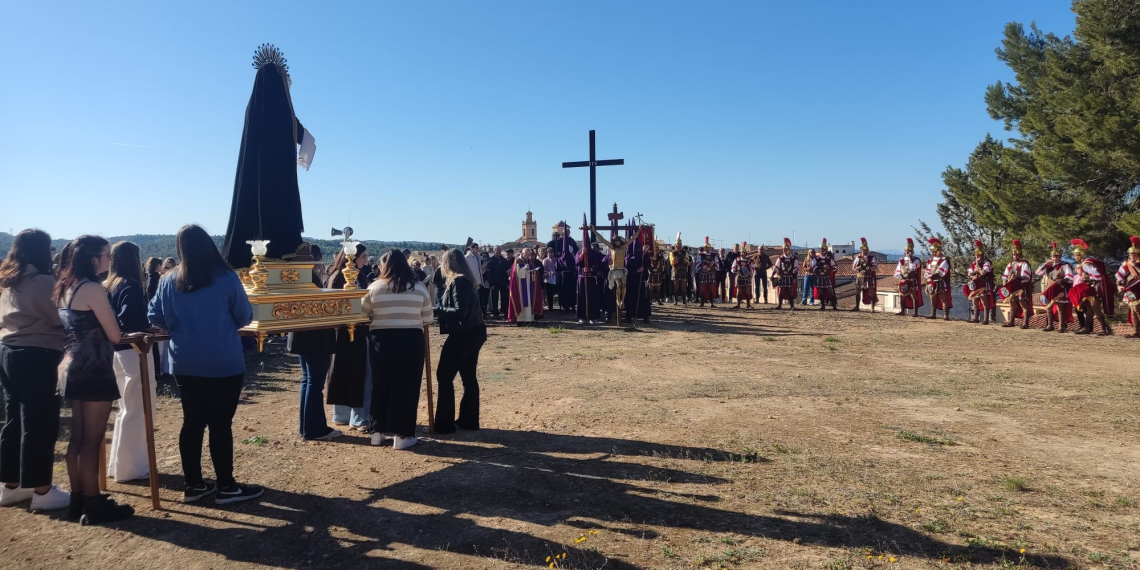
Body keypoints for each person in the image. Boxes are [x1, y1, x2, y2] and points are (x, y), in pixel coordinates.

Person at [149, 224, 262, 505]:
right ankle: (225, 485)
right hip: (223, 360)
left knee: (192, 423)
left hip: (185, 362)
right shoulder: (226, 277)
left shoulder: (168, 280)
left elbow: (154, 315)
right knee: (221, 425)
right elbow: (244, 315)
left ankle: (194, 484)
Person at [55, 236, 140, 523]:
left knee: (77, 438)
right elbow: (115, 335)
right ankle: (93, 504)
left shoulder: (66, 286)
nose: (108, 260)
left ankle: (78, 499)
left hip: (71, 364)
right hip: (94, 367)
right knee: (92, 440)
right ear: (93, 259)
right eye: (105, 255)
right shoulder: (93, 289)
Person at [221, 44, 314, 268]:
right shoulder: (281, 107)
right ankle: (282, 248)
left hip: (253, 174)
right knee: (280, 205)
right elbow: (299, 133)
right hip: (279, 174)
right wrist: (308, 142)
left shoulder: (252, 108)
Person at [0, 229, 71, 512]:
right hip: (39, 354)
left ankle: (11, 486)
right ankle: (42, 490)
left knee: (13, 420)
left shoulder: (8, 280)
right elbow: (60, 318)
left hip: (7, 351)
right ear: (43, 251)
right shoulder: (42, 282)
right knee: (40, 422)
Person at [363, 250, 434, 450]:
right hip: (410, 340)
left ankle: (377, 432)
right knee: (406, 387)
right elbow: (428, 318)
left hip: (381, 341)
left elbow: (362, 314)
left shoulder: (374, 287)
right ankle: (402, 434)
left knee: (380, 384)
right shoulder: (419, 288)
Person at [104, 241, 158, 483]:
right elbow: (128, 321)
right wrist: (147, 329)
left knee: (125, 409)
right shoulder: (131, 286)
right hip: (134, 351)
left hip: (116, 352)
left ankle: (119, 464)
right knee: (138, 409)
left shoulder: (109, 285)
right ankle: (131, 469)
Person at [285, 245, 341, 441]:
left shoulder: (292, 279)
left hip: (302, 336)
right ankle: (314, 429)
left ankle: (306, 426)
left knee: (308, 381)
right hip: (316, 337)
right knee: (314, 383)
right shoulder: (309, 279)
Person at [434, 249, 487, 433]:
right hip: (474, 331)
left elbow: (460, 311)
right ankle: (468, 420)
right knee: (468, 377)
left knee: (444, 375)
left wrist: (436, 310)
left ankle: (444, 424)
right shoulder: (467, 280)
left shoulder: (458, 281)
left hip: (464, 334)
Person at [326, 246, 372, 430]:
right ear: (350, 258)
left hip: (358, 329)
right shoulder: (338, 276)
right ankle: (352, 417)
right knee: (349, 372)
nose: (365, 260)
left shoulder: (359, 276)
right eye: (363, 256)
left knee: (353, 371)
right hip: (345, 330)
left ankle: (352, 416)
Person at [589, 224, 647, 316]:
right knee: (619, 285)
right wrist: (594, 231)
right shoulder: (612, 248)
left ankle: (622, 301)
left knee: (624, 286)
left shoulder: (624, 247)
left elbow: (632, 238)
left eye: (618, 241)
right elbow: (602, 239)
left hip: (622, 269)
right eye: (615, 242)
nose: (617, 243)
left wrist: (639, 230)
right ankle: (617, 300)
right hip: (615, 270)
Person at [1068, 238, 1114, 335]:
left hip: (1097, 287)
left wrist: (1088, 279)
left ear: (1079, 255)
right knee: (1089, 309)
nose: (1074, 257)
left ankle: (1104, 328)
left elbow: (1097, 276)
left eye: (1075, 255)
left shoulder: (1086, 264)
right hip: (1094, 286)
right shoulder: (1087, 263)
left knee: (1094, 307)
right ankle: (1086, 328)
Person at [1036, 241, 1075, 332]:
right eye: (1053, 257)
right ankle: (1050, 325)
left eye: (1057, 256)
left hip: (1060, 289)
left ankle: (1061, 327)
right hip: (1049, 289)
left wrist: (1062, 280)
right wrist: (1045, 264)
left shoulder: (1065, 265)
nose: (1055, 258)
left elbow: (1070, 277)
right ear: (1051, 257)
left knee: (1060, 308)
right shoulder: (1048, 266)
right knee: (1048, 307)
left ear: (1059, 257)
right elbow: (1037, 273)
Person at [1000, 239, 1034, 329]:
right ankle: (1011, 321)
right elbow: (1005, 276)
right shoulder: (1010, 264)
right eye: (1014, 255)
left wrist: (1017, 278)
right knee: (1012, 305)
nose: (1015, 256)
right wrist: (1005, 286)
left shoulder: (1024, 264)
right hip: (1011, 288)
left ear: (1020, 254)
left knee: (1023, 305)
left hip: (1020, 288)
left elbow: (1026, 277)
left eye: (1017, 254)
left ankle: (1025, 323)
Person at [507, 249, 544, 324]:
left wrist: (534, 272)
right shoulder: (517, 261)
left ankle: (529, 319)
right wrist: (524, 269)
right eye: (527, 254)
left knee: (529, 301)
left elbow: (534, 272)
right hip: (520, 285)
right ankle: (521, 319)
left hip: (529, 284)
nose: (528, 256)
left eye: (529, 254)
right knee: (522, 301)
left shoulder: (530, 261)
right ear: (523, 253)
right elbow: (516, 274)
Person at [963, 240, 995, 325]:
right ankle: (975, 318)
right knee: (975, 301)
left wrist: (977, 269)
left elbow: (983, 272)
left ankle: (986, 319)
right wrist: (975, 270)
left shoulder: (986, 262)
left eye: (979, 254)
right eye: (976, 254)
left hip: (983, 284)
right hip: (975, 284)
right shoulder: (974, 264)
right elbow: (969, 273)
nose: (977, 256)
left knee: (984, 302)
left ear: (982, 254)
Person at [1115, 236, 1140, 338]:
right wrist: (1119, 286)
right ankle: (1136, 332)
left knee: (1138, 309)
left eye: (1134, 255)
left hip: (1139, 289)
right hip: (1130, 289)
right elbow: (1119, 277)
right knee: (1133, 310)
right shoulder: (1126, 264)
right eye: (1131, 254)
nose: (1132, 256)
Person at [576, 237, 605, 324]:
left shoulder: (594, 253)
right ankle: (582, 317)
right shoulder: (578, 253)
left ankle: (593, 317)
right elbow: (577, 263)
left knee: (593, 298)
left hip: (591, 279)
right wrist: (582, 255)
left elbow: (598, 264)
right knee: (582, 298)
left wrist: (590, 269)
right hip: (582, 279)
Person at [924, 238, 952, 320]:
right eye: (932, 251)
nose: (933, 252)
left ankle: (946, 315)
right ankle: (933, 314)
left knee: (943, 299)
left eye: (934, 251)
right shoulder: (931, 260)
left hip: (940, 282)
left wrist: (932, 275)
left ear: (938, 250)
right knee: (933, 299)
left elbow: (941, 271)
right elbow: (928, 270)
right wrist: (928, 275)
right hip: (932, 282)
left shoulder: (944, 260)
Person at [894, 239, 924, 316]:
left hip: (911, 280)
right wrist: (900, 275)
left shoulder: (916, 260)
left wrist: (910, 260)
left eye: (909, 251)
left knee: (914, 296)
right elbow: (898, 269)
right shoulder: (902, 260)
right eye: (907, 251)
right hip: (903, 280)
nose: (908, 252)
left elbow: (913, 267)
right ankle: (902, 311)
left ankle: (915, 312)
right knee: (902, 296)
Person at [624, 243, 652, 323]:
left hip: (642, 282)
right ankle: (629, 316)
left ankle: (645, 317)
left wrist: (645, 253)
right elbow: (627, 270)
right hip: (632, 282)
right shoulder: (628, 258)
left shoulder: (644, 257)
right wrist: (637, 271)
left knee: (644, 300)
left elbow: (648, 264)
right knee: (630, 300)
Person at [851, 238, 878, 312]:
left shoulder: (871, 258)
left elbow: (875, 267)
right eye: (862, 249)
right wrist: (858, 266)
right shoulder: (858, 257)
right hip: (859, 276)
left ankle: (872, 308)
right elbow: (853, 267)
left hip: (868, 277)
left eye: (864, 249)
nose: (863, 251)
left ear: (867, 250)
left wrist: (869, 264)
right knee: (858, 292)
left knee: (871, 292)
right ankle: (857, 306)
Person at [772, 238, 799, 310]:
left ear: (788, 249)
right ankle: (779, 305)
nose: (784, 250)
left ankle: (792, 305)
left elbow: (796, 269)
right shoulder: (780, 258)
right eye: (783, 249)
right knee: (781, 291)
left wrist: (794, 278)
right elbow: (776, 267)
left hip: (790, 277)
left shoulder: (794, 258)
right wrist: (772, 274)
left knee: (790, 291)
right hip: (782, 277)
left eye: (785, 249)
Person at [811, 239, 838, 310]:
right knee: (820, 291)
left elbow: (835, 267)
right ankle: (823, 305)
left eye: (824, 249)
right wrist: (821, 268)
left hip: (827, 277)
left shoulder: (829, 258)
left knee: (830, 291)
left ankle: (834, 305)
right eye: (821, 249)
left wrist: (829, 267)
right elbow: (814, 268)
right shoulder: (816, 258)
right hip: (819, 277)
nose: (822, 250)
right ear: (819, 250)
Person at [484, 247, 510, 319]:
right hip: (494, 283)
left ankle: (504, 311)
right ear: (494, 251)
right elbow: (489, 273)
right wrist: (491, 283)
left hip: (503, 282)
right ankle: (495, 313)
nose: (499, 251)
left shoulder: (503, 260)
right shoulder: (491, 260)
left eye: (500, 250)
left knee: (504, 298)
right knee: (494, 298)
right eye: (497, 250)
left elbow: (506, 271)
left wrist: (507, 281)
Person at [694, 239, 720, 308]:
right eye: (706, 248)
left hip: (711, 273)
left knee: (711, 288)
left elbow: (717, 264)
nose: (707, 249)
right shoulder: (701, 255)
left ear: (710, 248)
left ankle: (711, 303)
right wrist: (703, 266)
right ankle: (702, 303)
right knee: (702, 288)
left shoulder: (714, 255)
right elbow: (697, 264)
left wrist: (713, 265)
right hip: (703, 274)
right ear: (704, 248)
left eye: (708, 248)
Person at [730, 243, 756, 309]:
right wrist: (736, 272)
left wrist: (749, 273)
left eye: (744, 253)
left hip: (747, 278)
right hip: (739, 277)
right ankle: (738, 304)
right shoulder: (736, 260)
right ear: (740, 253)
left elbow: (753, 268)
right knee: (739, 291)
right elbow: (733, 268)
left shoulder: (749, 261)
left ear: (746, 253)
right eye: (742, 253)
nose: (743, 254)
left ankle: (748, 305)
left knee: (747, 291)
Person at [669, 235, 691, 306]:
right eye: (678, 244)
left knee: (683, 286)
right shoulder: (672, 252)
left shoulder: (685, 252)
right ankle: (675, 301)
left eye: (680, 244)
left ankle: (684, 301)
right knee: (676, 286)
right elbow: (672, 262)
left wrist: (685, 261)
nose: (679, 245)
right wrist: (675, 261)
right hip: (676, 271)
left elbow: (687, 260)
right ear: (675, 245)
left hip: (683, 270)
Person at [542, 248, 557, 312]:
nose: (550, 254)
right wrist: (547, 273)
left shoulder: (556, 260)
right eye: (549, 252)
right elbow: (543, 269)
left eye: (551, 252)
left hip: (555, 278)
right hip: (548, 278)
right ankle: (550, 307)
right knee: (549, 294)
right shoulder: (545, 260)